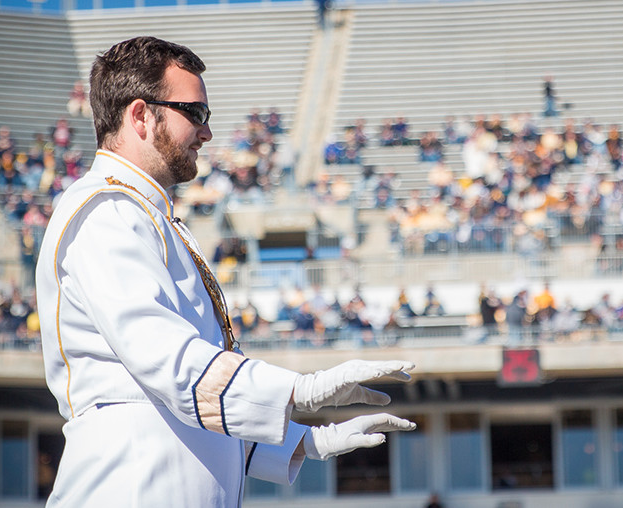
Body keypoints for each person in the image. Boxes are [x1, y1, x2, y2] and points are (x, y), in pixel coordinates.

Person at [35, 36, 415, 507]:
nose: (206, 132)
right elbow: (174, 368)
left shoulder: (145, 214)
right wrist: (301, 390)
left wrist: (304, 441)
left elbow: (191, 405)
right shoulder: (106, 212)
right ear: (140, 115)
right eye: (193, 113)